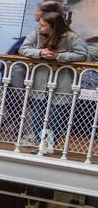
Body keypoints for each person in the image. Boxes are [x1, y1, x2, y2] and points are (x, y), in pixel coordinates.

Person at [17, 9, 89, 148]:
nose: (39, 27)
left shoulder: (72, 37)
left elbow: (82, 55)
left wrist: (59, 56)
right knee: (38, 115)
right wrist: (40, 52)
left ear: (53, 26)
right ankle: (41, 144)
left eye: (43, 25)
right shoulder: (36, 34)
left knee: (56, 116)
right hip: (39, 81)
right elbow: (23, 48)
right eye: (40, 24)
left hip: (62, 83)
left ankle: (49, 145)